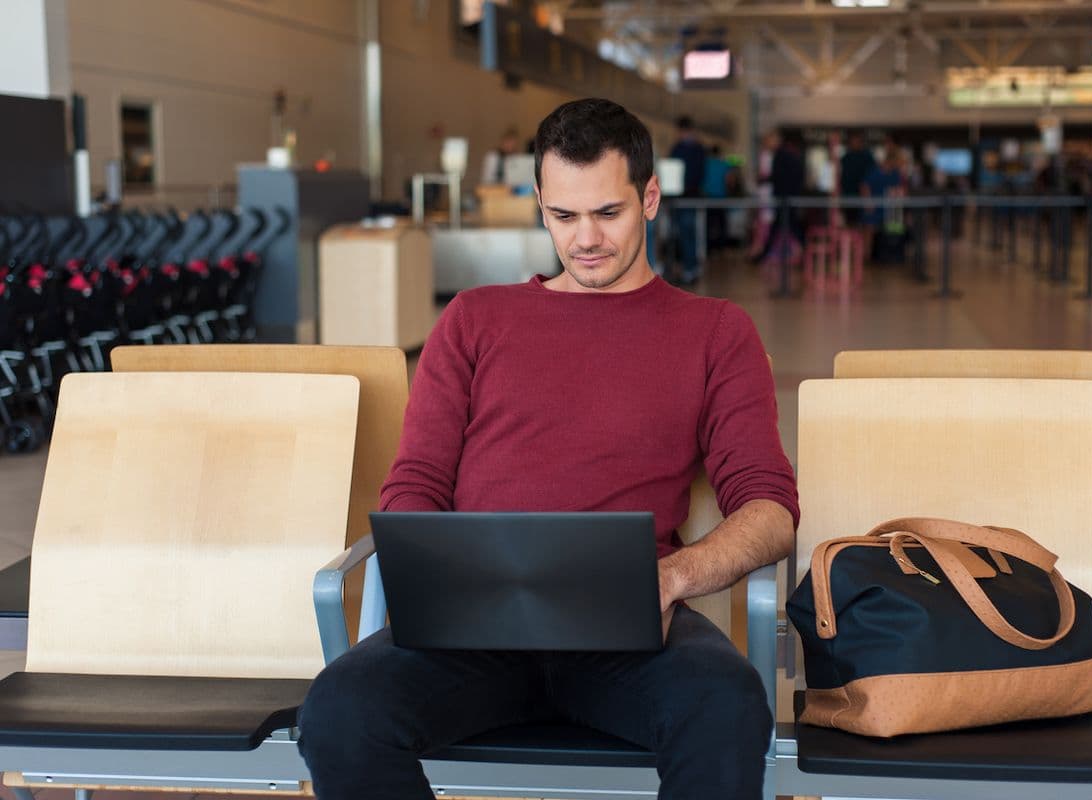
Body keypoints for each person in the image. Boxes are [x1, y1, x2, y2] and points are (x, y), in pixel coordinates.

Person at [298, 97, 800, 800]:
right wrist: (434, 574)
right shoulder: (475, 319)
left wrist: (674, 578)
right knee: (339, 714)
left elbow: (770, 507)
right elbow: (416, 483)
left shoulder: (716, 332)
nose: (586, 238)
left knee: (727, 706)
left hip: (630, 629)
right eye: (564, 216)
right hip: (470, 630)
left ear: (650, 197)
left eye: (608, 213)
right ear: (539, 202)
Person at [750, 129, 807, 265]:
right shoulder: (786, 154)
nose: (766, 144)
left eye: (768, 141)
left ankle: (763, 255)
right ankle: (763, 255)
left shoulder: (781, 155)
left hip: (784, 198)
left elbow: (779, 177)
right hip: (786, 198)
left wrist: (765, 180)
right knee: (788, 227)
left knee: (788, 227)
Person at [669, 115, 709, 285]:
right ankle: (687, 266)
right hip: (684, 195)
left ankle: (690, 267)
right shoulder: (694, 148)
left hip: (687, 195)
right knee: (684, 232)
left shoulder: (684, 148)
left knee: (687, 232)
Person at [839, 130, 876, 228]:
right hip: (848, 197)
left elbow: (871, 180)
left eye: (857, 140)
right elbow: (841, 179)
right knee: (850, 225)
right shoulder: (846, 158)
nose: (854, 143)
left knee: (866, 225)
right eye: (852, 141)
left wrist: (869, 199)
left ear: (861, 141)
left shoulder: (868, 158)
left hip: (864, 199)